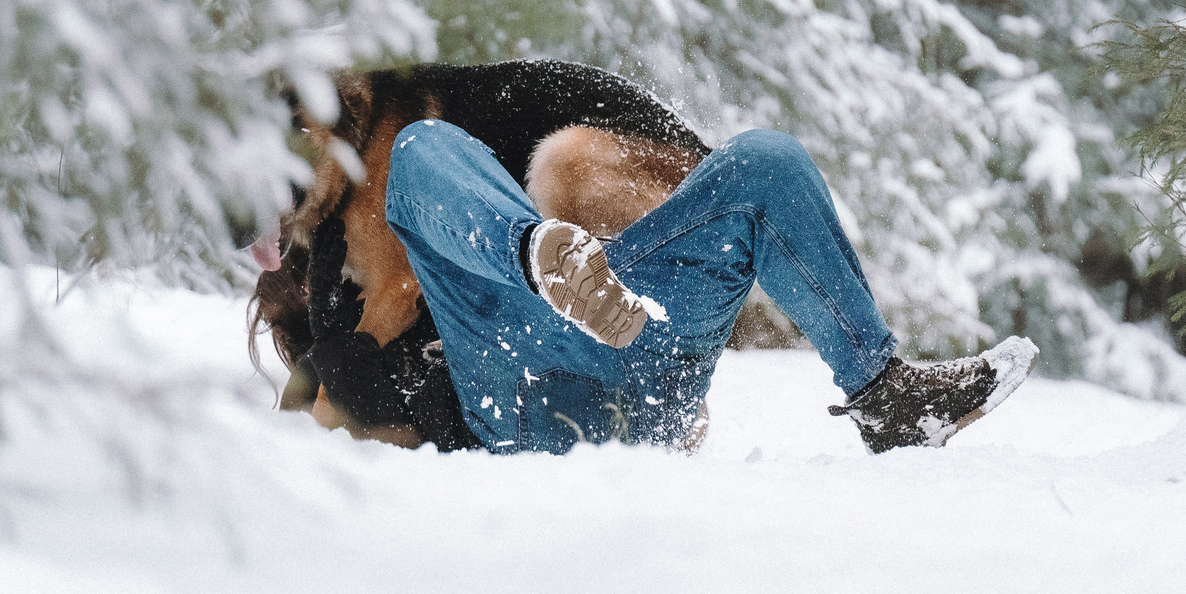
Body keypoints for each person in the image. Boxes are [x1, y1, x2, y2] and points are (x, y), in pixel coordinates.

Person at [382, 118, 1037, 454]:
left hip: (635, 325)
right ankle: (540, 256)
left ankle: (886, 396)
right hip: (510, 356)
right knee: (421, 144)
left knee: (765, 162)